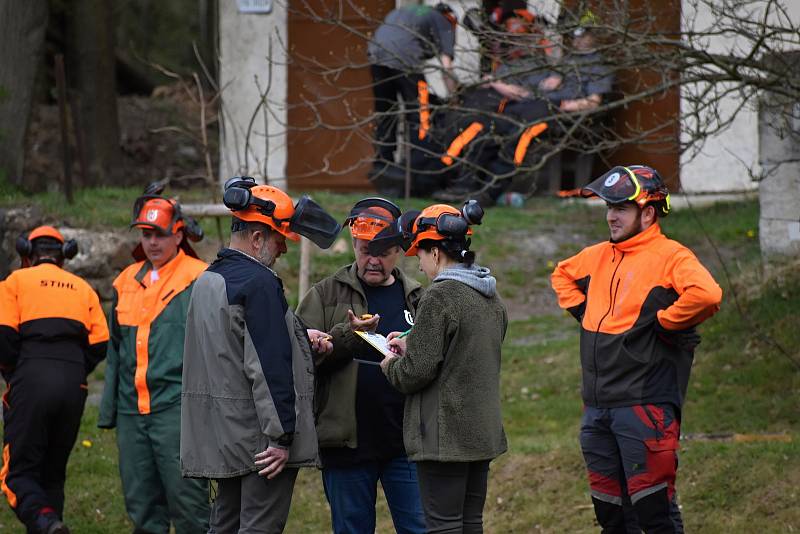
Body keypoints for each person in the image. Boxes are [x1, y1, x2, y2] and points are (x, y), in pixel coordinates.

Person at [550, 165, 723, 533]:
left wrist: (666, 322)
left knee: (654, 513)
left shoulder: (671, 256)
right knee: (610, 515)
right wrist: (585, 312)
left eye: (621, 208)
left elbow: (708, 294)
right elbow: (561, 274)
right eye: (609, 207)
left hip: (645, 405)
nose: (611, 215)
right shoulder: (597, 255)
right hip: (597, 407)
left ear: (648, 212)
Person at [180, 178, 341, 534]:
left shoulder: (209, 279)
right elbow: (267, 368)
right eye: (279, 239)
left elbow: (229, 351)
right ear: (257, 238)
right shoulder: (259, 284)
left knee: (223, 526)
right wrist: (281, 437)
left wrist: (297, 336)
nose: (283, 248)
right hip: (261, 445)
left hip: (226, 437)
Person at [296, 198, 425, 534]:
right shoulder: (324, 295)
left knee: (420, 528)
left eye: (382, 252)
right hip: (345, 446)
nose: (372, 260)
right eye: (366, 249)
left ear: (398, 250)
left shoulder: (418, 298)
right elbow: (296, 361)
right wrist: (335, 341)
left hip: (406, 444)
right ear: (354, 243)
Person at [377, 201, 508, 533]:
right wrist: (414, 340)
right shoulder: (490, 297)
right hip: (481, 434)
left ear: (435, 253)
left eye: (420, 254)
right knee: (470, 523)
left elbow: (415, 372)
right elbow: (464, 351)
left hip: (445, 436)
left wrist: (392, 363)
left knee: (443, 526)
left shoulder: (439, 296)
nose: (419, 265)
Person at [97, 189, 211, 533]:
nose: (152, 243)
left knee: (189, 503)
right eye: (146, 235)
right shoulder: (125, 281)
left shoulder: (200, 277)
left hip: (176, 409)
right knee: (142, 505)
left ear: (178, 233)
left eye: (159, 234)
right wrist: (110, 411)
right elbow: (115, 352)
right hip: (133, 411)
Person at [0, 226, 109, 534]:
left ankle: (45, 521)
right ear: (64, 255)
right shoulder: (82, 287)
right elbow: (100, 342)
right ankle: (52, 524)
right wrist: (74, 369)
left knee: (18, 475)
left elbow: (4, 336)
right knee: (52, 474)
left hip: (31, 377)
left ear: (27, 253)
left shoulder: (14, 282)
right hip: (74, 383)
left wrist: (16, 372)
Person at [367, 3, 458, 191]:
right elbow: (446, 65)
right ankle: (417, 166)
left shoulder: (402, 11)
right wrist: (454, 97)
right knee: (419, 114)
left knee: (385, 112)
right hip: (405, 60)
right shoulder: (443, 20)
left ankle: (383, 162)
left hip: (376, 56)